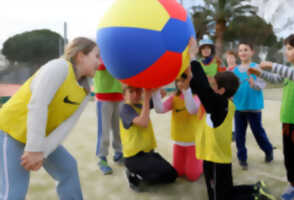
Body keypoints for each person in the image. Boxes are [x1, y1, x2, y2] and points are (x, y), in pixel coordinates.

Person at [0, 37, 100, 200]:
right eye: (96, 56)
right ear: (81, 56)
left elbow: (65, 127)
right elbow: (38, 105)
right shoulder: (58, 67)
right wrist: (34, 149)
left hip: (38, 139)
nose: (99, 62)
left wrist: (42, 152)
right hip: (9, 131)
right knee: (14, 193)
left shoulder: (85, 90)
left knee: (68, 169)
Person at [188, 37, 276, 200]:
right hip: (218, 157)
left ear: (220, 91)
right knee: (225, 191)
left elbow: (203, 88)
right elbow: (201, 87)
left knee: (219, 197)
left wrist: (192, 57)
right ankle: (255, 189)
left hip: (215, 159)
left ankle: (255, 197)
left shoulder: (218, 105)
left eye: (213, 85)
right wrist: (189, 76)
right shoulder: (226, 103)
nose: (210, 86)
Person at [248, 32, 294, 200]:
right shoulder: (290, 69)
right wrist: (260, 73)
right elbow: (277, 78)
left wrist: (272, 65)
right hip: (288, 119)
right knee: (290, 156)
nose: (286, 52)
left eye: (290, 48)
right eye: (286, 48)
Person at [120, 86, 177, 192]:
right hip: (134, 157)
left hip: (148, 153)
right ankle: (133, 174)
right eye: (131, 91)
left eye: (138, 91)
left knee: (172, 175)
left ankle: (143, 173)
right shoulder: (125, 109)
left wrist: (153, 86)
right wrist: (146, 98)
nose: (135, 94)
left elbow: (163, 94)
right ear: (124, 96)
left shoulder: (142, 104)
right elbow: (143, 122)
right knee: (158, 174)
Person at [152, 73, 203, 182]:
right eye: (178, 81)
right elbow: (159, 110)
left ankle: (203, 162)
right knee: (178, 172)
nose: (180, 84)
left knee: (192, 176)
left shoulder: (197, 96)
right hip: (179, 139)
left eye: (183, 81)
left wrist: (187, 90)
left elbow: (192, 110)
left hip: (193, 141)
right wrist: (155, 93)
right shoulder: (174, 97)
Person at [232, 42, 274, 170]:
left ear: (252, 52)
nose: (243, 52)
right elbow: (233, 88)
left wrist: (254, 84)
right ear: (238, 54)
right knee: (239, 135)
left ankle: (268, 150)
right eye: (240, 50)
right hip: (239, 108)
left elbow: (263, 85)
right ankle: (242, 158)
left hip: (254, 108)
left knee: (258, 133)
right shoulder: (234, 70)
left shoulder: (256, 67)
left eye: (246, 50)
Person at [93, 61, 123, 175]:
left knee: (119, 129)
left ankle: (119, 153)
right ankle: (102, 159)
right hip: (103, 96)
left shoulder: (121, 52)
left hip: (120, 95)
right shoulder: (99, 52)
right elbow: (99, 66)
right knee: (104, 131)